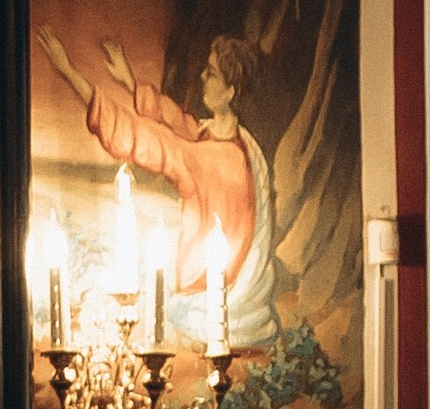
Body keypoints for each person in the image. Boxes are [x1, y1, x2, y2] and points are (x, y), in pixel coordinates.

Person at [35, 25, 278, 351]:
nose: (203, 78)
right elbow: (176, 120)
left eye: (212, 73)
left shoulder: (216, 158)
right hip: (209, 282)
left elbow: (143, 137)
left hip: (206, 294)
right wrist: (129, 81)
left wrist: (68, 72)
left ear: (231, 91)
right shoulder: (225, 138)